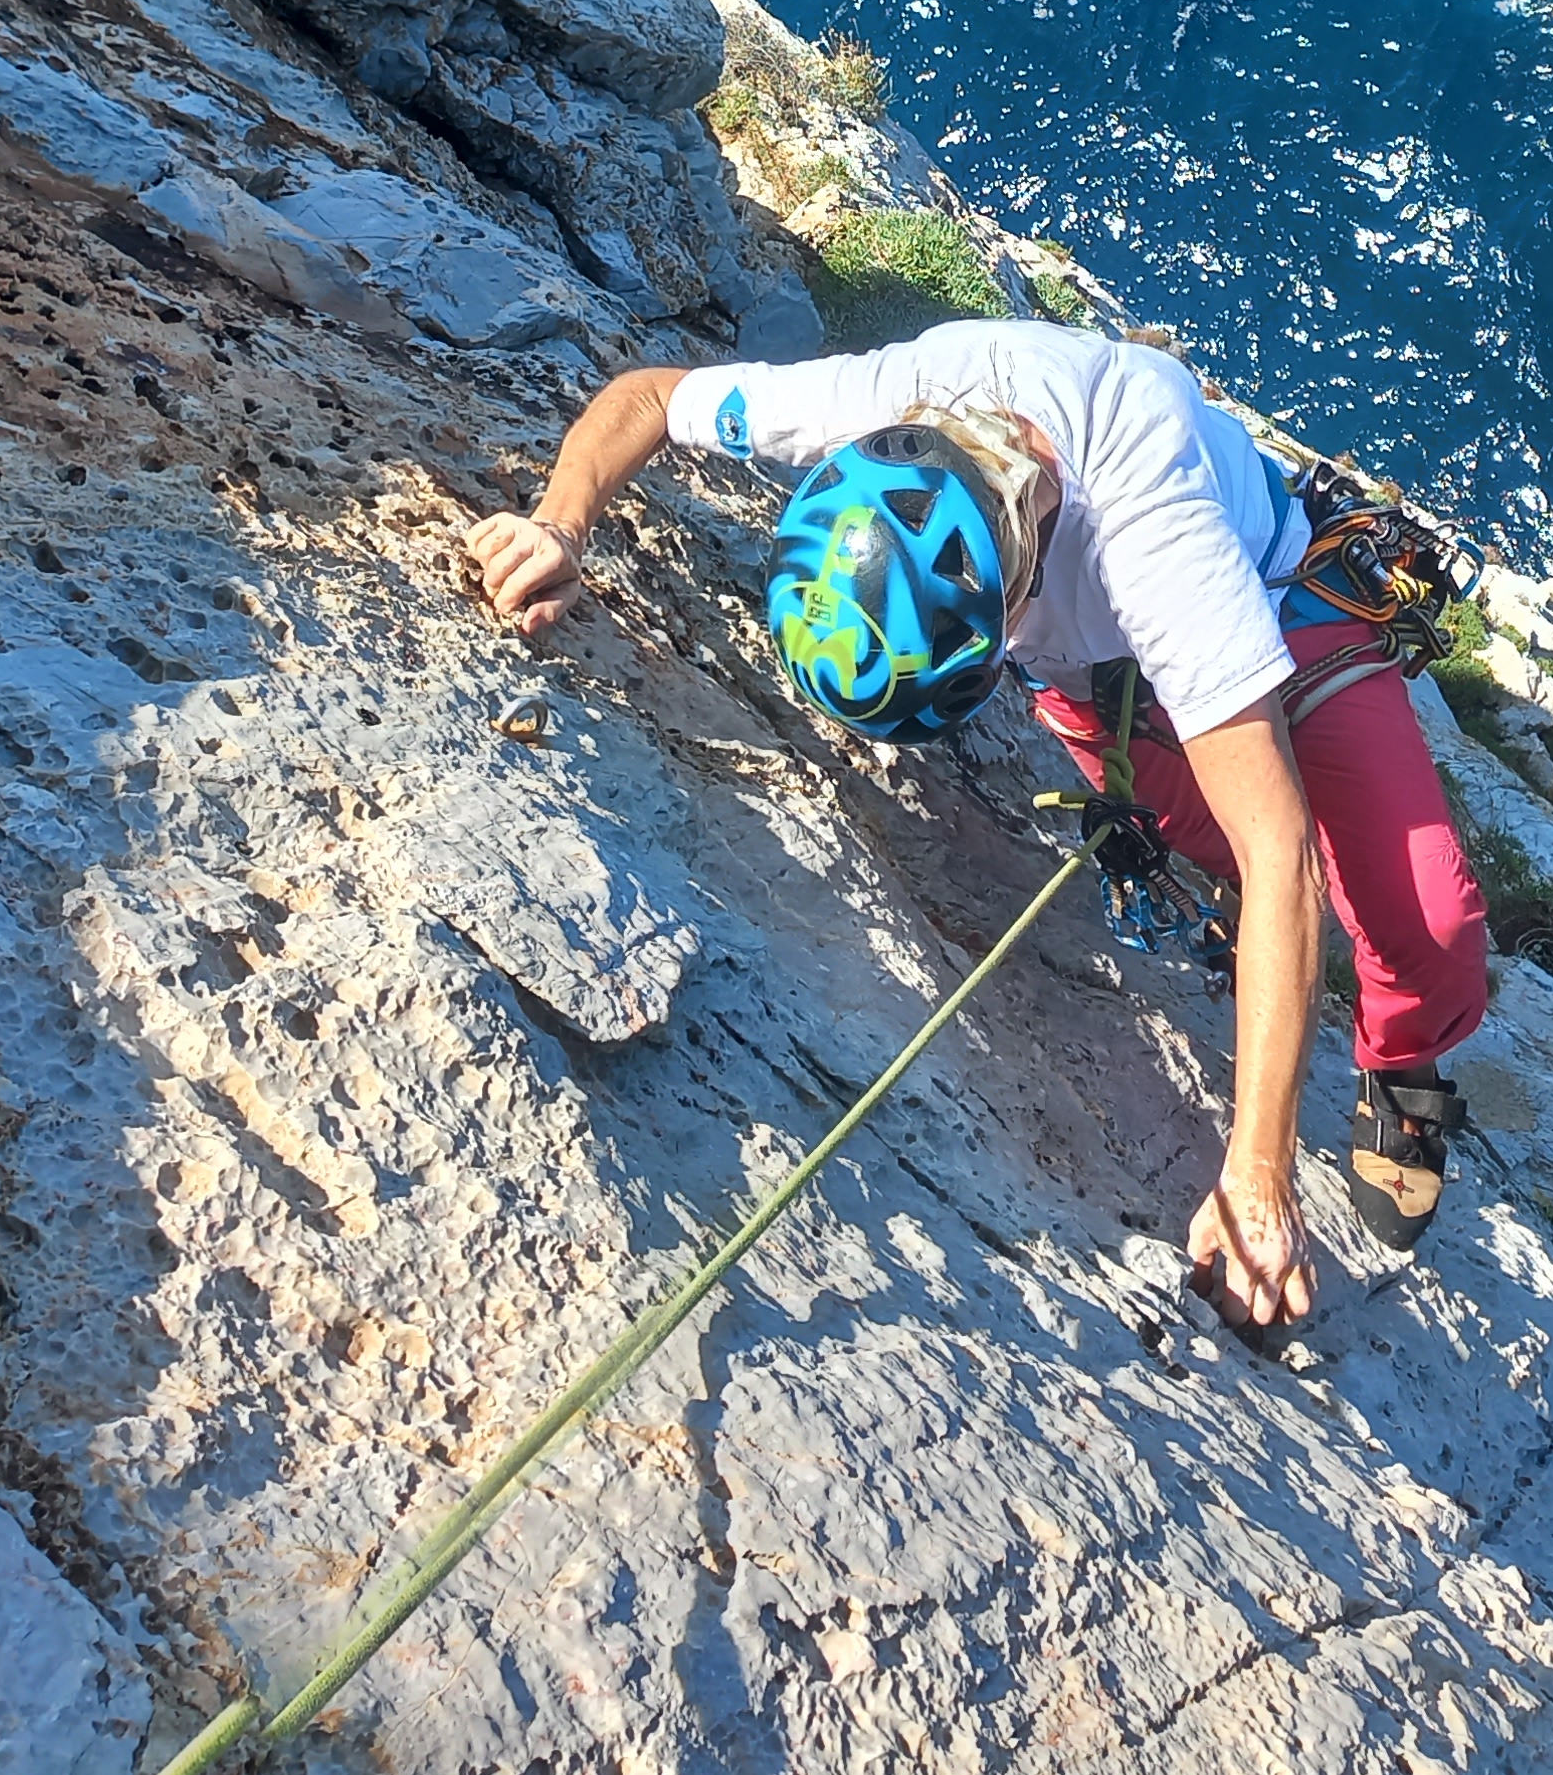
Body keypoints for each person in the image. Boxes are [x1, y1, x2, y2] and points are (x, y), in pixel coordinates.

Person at [461, 319, 1490, 1330]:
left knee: (1423, 922)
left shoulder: (1149, 536)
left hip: (1279, 595)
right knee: (1213, 841)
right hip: (1092, 671)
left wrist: (1257, 1176)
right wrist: (559, 524)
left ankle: (1400, 1061)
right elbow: (646, 397)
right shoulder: (861, 413)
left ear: (1024, 550)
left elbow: (1285, 857)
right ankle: (1271, 941)